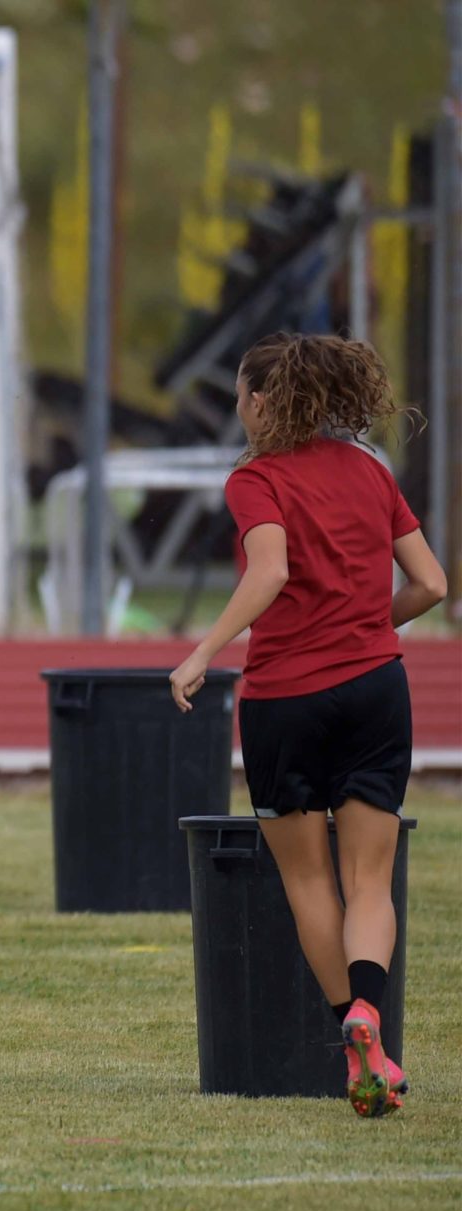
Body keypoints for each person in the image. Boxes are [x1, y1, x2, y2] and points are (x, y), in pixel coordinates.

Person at [168, 333, 445, 1119]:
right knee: (369, 880)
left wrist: (202, 652)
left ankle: (356, 1038)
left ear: (262, 402)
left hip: (285, 699)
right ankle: (370, 1012)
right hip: (377, 690)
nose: (238, 411)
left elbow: (271, 569)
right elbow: (431, 583)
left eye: (239, 398)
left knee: (309, 880)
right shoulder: (371, 470)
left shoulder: (255, 480)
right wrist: (368, 625)